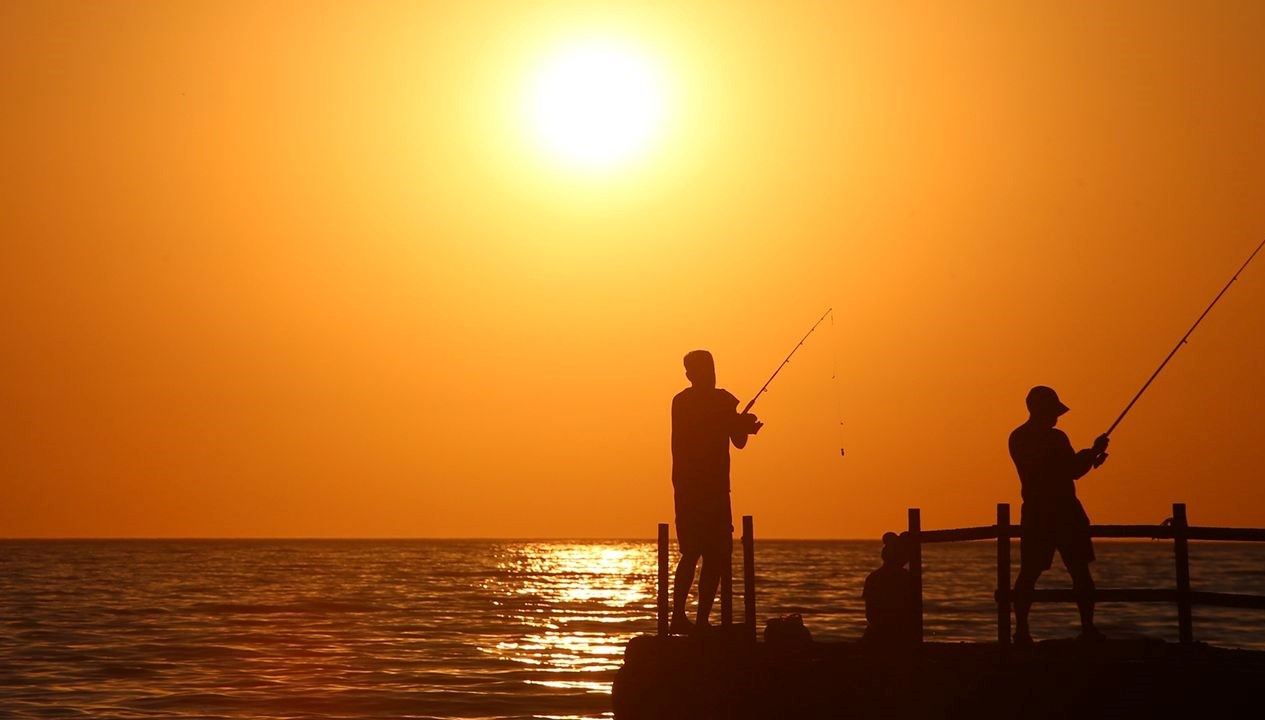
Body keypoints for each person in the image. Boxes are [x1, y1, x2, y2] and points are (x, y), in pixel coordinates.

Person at [1009, 385, 1110, 646]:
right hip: (1064, 511)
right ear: (1042, 410)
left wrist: (1089, 455)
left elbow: (1063, 468)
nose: (1057, 416)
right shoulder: (1055, 438)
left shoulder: (1017, 437)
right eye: (1053, 411)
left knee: (1029, 573)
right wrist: (1092, 452)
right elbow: (1071, 470)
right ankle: (1087, 629)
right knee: (1079, 572)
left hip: (1035, 512)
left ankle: (1021, 631)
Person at [669, 350, 761, 635]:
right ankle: (681, 617)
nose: (710, 373)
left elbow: (738, 440)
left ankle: (699, 620)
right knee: (695, 552)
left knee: (715, 554)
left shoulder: (718, 401)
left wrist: (742, 424)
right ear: (691, 374)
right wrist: (738, 423)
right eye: (704, 368)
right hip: (695, 489)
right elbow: (719, 429)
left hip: (710, 489)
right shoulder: (688, 402)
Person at [861, 531, 918, 647]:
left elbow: (870, 613)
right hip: (897, 635)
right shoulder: (907, 578)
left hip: (879, 634)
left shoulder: (874, 577)